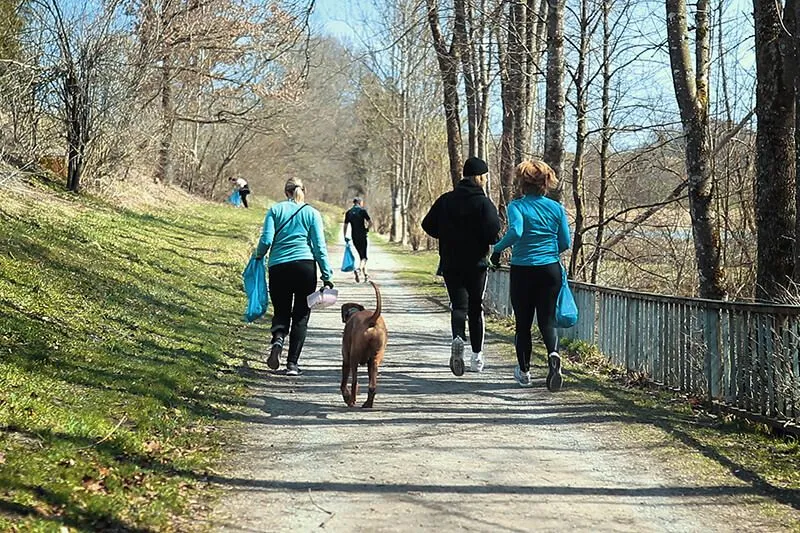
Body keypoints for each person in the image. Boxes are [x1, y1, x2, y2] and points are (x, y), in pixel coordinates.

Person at [490, 160, 571, 391]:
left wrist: (497, 249)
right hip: (550, 269)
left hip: (524, 270)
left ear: (522, 184)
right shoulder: (556, 209)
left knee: (523, 323)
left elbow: (516, 231)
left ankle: (524, 372)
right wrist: (548, 252)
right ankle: (553, 355)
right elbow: (565, 241)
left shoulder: (517, 206)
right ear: (545, 184)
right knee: (547, 320)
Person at [422, 156, 501, 376]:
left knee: (458, 306)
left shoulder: (446, 200)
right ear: (480, 177)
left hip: (450, 262)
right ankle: (477, 356)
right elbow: (494, 232)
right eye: (485, 177)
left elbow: (427, 224)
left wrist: (446, 235)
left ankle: (458, 338)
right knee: (476, 309)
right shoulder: (484, 203)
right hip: (476, 264)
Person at [253, 177, 334, 376]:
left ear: (285, 192)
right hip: (305, 268)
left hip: (278, 267)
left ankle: (278, 340)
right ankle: (292, 364)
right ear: (303, 191)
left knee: (281, 310)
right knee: (301, 315)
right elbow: (319, 247)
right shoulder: (312, 213)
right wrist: (327, 275)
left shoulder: (275, 210)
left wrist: (258, 255)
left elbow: (266, 239)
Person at [343, 197, 372, 283]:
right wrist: (367, 229)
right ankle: (359, 270)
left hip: (354, 236)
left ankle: (366, 275)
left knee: (361, 255)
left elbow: (345, 225)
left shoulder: (349, 212)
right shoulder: (362, 211)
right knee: (364, 257)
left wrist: (345, 236)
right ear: (360, 203)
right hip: (362, 235)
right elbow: (370, 222)